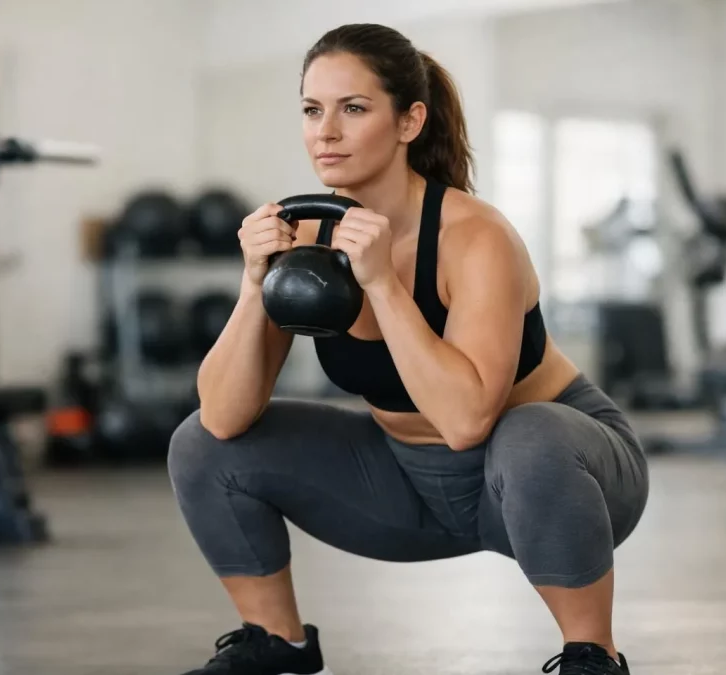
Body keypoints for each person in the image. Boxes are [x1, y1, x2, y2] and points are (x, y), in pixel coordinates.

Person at [168, 22, 649, 675]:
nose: (325, 131)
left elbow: (466, 421)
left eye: (354, 108)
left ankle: (592, 654)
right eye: (312, 110)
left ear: (409, 121)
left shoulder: (474, 236)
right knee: (198, 441)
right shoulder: (305, 232)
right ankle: (277, 639)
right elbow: (223, 418)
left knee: (530, 433)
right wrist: (256, 283)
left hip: (559, 479)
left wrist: (383, 284)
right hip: (403, 484)